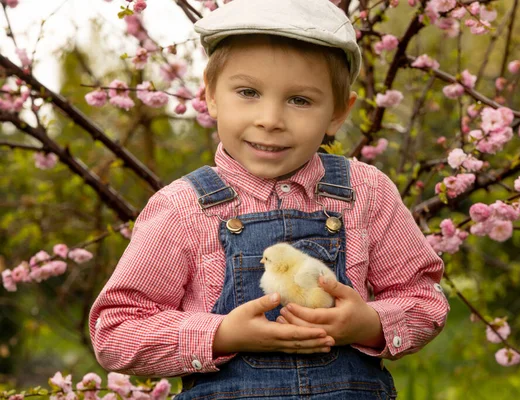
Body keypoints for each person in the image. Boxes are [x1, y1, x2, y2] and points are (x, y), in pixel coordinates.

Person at [89, 0, 450, 398]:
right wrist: (221, 334)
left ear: (338, 112)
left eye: (300, 100)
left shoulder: (365, 194)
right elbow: (116, 331)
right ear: (209, 95)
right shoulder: (183, 209)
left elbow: (424, 300)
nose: (271, 119)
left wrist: (370, 323)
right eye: (248, 92)